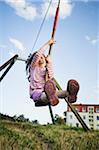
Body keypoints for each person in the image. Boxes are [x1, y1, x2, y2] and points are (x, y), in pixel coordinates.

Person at [26, 39, 79, 106]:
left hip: (47, 91)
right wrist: (48, 43)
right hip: (37, 93)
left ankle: (70, 94)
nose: (40, 58)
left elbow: (51, 76)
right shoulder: (33, 67)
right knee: (46, 94)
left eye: (43, 57)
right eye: (40, 57)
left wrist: (49, 62)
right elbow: (37, 55)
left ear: (45, 60)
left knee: (57, 93)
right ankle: (51, 96)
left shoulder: (46, 70)